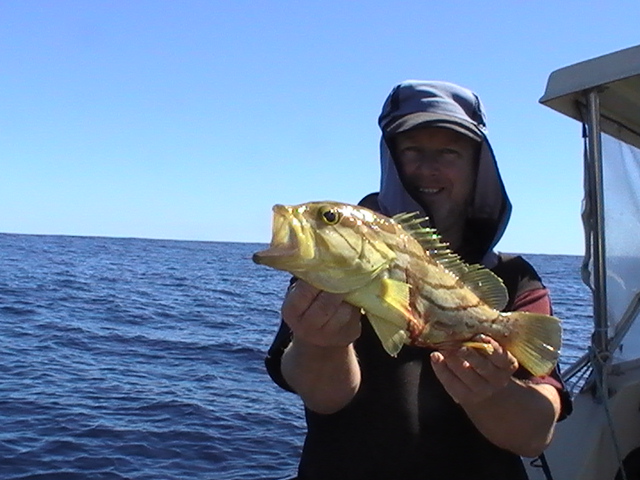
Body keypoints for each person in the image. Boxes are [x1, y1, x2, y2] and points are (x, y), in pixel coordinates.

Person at [265, 80, 572, 480]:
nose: (428, 168)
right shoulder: (329, 266)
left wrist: (494, 392)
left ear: (478, 164)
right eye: (411, 150)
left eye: (448, 151)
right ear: (389, 159)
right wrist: (319, 344)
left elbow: (533, 437)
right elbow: (324, 398)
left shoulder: (516, 279)